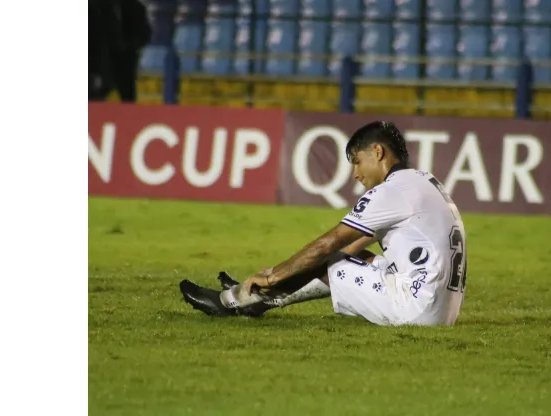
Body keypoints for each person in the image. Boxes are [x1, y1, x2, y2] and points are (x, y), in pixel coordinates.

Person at [179, 121, 468, 326]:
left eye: (357, 161)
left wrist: (272, 279)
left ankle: (233, 301)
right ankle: (260, 300)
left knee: (329, 258)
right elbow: (353, 247)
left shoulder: (390, 192)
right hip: (441, 308)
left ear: (377, 152)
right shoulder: (423, 181)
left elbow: (328, 246)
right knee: (350, 259)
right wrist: (277, 275)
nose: (355, 173)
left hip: (416, 309)